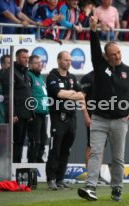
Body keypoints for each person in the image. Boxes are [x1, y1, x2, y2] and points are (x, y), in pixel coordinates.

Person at [77, 15, 129, 201]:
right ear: (106, 56)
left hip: (120, 121)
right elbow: (94, 49)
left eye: (119, 52)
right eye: (113, 54)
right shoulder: (100, 66)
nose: (117, 56)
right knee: (96, 152)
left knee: (118, 157)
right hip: (99, 119)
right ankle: (90, 187)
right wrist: (93, 30)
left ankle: (117, 188)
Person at [45, 51, 84, 190]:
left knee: (66, 149)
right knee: (55, 148)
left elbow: (81, 94)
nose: (69, 62)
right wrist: (71, 94)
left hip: (71, 117)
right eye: (66, 60)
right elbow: (59, 94)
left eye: (70, 60)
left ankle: (60, 178)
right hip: (58, 117)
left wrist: (70, 95)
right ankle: (51, 179)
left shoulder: (72, 77)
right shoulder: (52, 76)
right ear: (58, 61)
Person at [1, 49, 34, 163]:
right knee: (14, 142)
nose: (26, 60)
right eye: (24, 57)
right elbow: (7, 95)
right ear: (17, 58)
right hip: (15, 115)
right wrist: (13, 113)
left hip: (25, 114)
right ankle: (11, 169)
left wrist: (30, 112)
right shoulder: (10, 72)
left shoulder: (25, 72)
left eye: (28, 58)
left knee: (20, 142)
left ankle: (17, 167)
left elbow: (27, 93)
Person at [27, 55, 49, 163]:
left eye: (40, 62)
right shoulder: (29, 76)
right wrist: (30, 113)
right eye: (36, 63)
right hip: (34, 114)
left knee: (43, 139)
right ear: (30, 65)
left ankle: (39, 161)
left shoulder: (40, 77)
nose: (39, 65)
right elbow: (27, 95)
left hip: (43, 113)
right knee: (36, 140)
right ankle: (33, 163)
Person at [0, 54, 11, 123]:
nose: (11, 66)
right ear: (2, 65)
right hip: (1, 109)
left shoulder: (14, 77)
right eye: (9, 63)